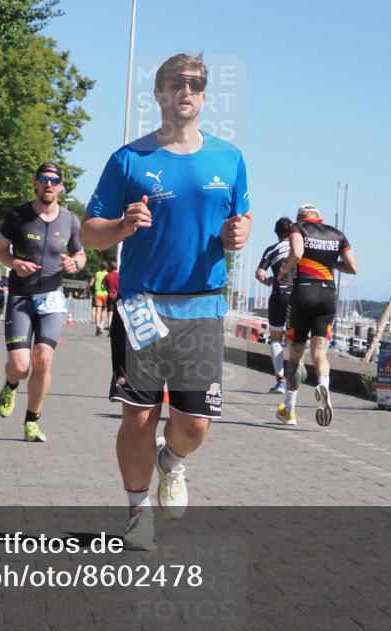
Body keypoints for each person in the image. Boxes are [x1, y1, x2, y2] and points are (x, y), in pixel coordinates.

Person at [81, 53, 251, 549]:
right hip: (141, 305)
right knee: (138, 416)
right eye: (177, 83)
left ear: (204, 95)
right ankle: (137, 512)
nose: (186, 90)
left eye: (196, 84)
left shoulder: (229, 158)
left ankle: (171, 462)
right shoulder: (128, 159)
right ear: (157, 93)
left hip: (202, 305)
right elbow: (90, 233)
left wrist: (238, 233)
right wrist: (122, 226)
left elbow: (241, 219)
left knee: (195, 424)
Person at [0, 162, 86, 442]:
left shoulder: (70, 220)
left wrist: (75, 264)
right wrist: (15, 262)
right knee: (21, 366)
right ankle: (10, 385)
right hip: (21, 296)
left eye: (54, 180)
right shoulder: (17, 215)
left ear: (60, 187)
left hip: (53, 300)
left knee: (43, 360)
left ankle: (32, 422)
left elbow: (81, 256)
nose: (48, 184)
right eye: (43, 179)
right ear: (35, 183)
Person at [275, 203, 357, 426]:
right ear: (319, 217)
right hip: (327, 295)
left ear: (301, 217)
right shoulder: (337, 234)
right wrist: (330, 263)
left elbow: (298, 253)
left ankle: (289, 410)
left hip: (303, 293)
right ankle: (323, 385)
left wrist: (283, 271)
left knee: (295, 357)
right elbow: (353, 267)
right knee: (320, 353)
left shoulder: (297, 228)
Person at [255, 217, 294, 393]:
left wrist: (269, 281)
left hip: (278, 295)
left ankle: (280, 380)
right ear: (291, 231)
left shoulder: (271, 250)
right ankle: (295, 379)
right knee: (294, 339)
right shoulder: (298, 248)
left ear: (276, 233)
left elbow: (259, 273)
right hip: (296, 296)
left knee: (276, 339)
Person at [90, 262, 109, 335]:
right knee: (103, 310)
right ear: (106, 268)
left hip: (97, 293)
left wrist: (93, 289)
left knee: (98, 310)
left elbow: (91, 284)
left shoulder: (96, 274)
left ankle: (97, 324)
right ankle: (101, 325)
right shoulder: (107, 274)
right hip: (105, 294)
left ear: (100, 267)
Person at [103, 262, 119, 334]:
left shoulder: (107, 276)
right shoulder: (119, 276)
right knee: (117, 314)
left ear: (110, 268)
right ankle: (116, 329)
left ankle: (110, 328)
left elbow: (102, 286)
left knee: (110, 312)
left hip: (110, 296)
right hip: (118, 296)